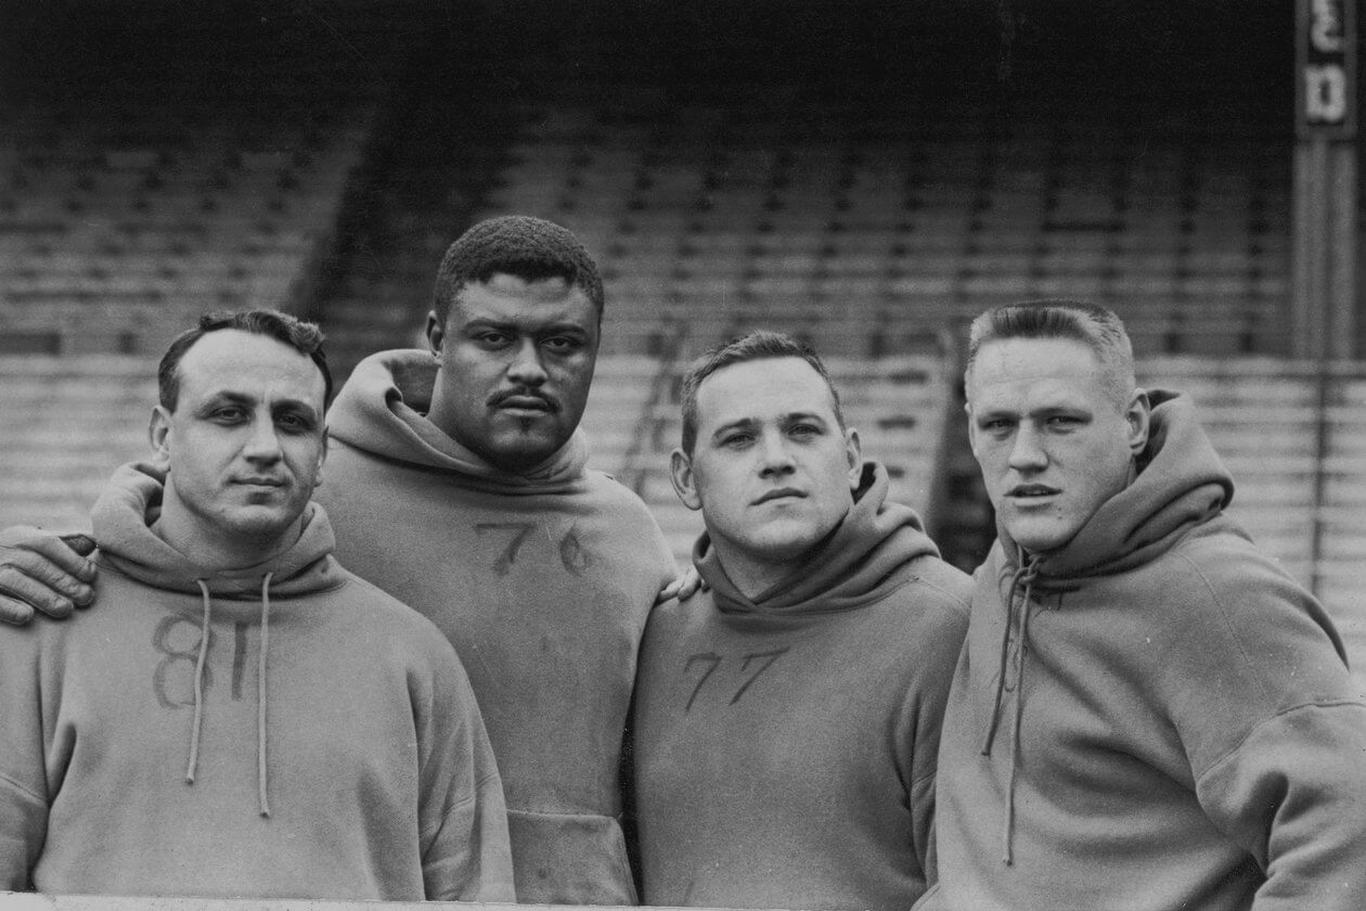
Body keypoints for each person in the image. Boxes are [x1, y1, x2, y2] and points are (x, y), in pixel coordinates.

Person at [0, 216, 679, 905]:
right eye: (495, 337)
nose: (528, 368)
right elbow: (177, 529)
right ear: (437, 339)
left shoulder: (628, 536)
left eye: (562, 342)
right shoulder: (307, 496)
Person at [0, 309, 514, 900]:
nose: (266, 447)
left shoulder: (412, 654)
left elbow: (476, 896)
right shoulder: (43, 623)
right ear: (163, 437)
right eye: (229, 414)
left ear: (321, 455)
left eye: (292, 421)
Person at [920, 300, 1366, 911]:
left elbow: (1349, 828)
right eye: (999, 425)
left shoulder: (1222, 596)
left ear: (1132, 423)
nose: (1024, 454)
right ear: (970, 430)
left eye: (1060, 421)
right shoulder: (1005, 572)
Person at [631, 330, 970, 911]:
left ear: (852, 456)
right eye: (739, 439)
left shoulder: (950, 624)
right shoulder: (656, 634)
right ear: (686, 479)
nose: (777, 459)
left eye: (803, 430)